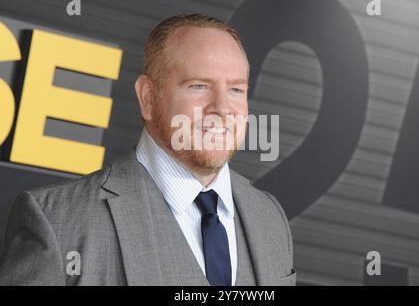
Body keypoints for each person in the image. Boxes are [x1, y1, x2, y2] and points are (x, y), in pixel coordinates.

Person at [0, 14, 296, 286]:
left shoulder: (269, 217)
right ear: (148, 98)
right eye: (198, 86)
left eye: (236, 89)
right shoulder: (57, 221)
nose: (222, 108)